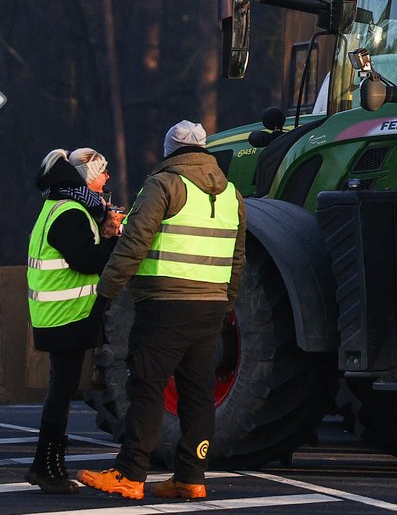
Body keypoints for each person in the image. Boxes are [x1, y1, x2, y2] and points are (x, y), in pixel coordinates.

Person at [78, 121, 245, 501]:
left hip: (164, 305)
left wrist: (105, 295)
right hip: (211, 308)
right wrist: (226, 303)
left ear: (169, 150)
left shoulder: (163, 184)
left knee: (147, 386)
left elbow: (133, 244)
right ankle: (190, 476)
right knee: (198, 392)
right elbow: (238, 258)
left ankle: (130, 473)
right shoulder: (232, 194)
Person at [25, 148, 122, 493]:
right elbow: (85, 260)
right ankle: (46, 467)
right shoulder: (71, 211)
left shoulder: (58, 206)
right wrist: (112, 241)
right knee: (61, 389)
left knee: (61, 388)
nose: (107, 178)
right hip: (65, 316)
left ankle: (48, 464)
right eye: (103, 172)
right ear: (83, 179)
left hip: (56, 315)